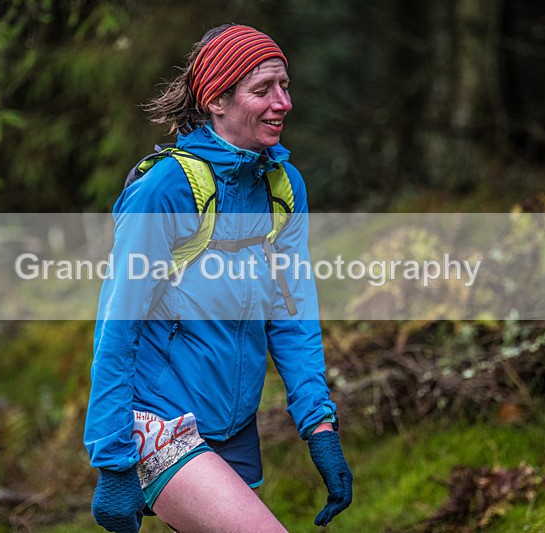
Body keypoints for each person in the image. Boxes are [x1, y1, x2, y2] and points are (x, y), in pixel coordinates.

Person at [84, 23, 353, 532]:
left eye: (285, 86)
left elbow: (291, 313)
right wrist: (113, 458)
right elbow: (117, 325)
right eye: (262, 90)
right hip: (159, 422)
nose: (283, 103)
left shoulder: (282, 185)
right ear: (217, 101)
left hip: (234, 427)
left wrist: (319, 426)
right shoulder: (167, 188)